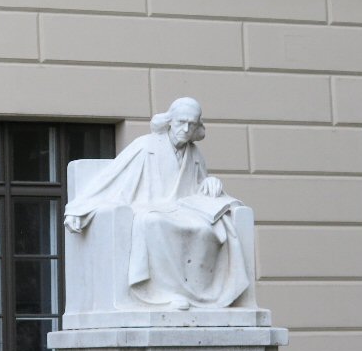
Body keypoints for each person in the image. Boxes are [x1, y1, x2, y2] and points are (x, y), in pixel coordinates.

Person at [64, 97, 250, 310]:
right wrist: (78, 209)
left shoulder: (195, 154)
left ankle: (201, 294)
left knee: (207, 229)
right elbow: (112, 179)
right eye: (181, 122)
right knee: (152, 222)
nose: (186, 129)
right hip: (151, 208)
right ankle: (163, 295)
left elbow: (197, 187)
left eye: (192, 124)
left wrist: (210, 182)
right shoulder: (146, 146)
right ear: (170, 121)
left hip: (185, 211)